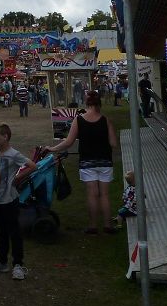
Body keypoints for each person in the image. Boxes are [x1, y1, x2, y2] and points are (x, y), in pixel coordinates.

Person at [46, 90, 118, 234]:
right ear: (99, 104)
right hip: (105, 161)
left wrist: (52, 149)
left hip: (87, 162)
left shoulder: (78, 120)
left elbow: (68, 142)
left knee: (92, 194)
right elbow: (114, 143)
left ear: (87, 104)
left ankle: (92, 226)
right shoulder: (106, 120)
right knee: (104, 195)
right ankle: (108, 225)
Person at [0, 124, 31, 280]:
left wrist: (18, 177)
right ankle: (2, 261)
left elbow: (32, 166)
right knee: (1, 231)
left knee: (15, 232)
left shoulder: (14, 154)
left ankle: (18, 264)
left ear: (5, 137)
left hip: (10, 199)